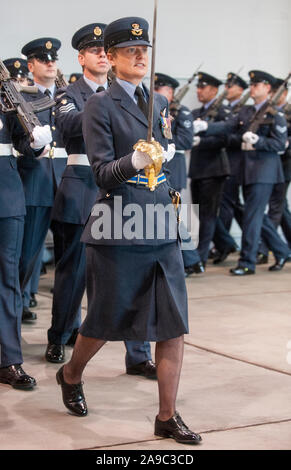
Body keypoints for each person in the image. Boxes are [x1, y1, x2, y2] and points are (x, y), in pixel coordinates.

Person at [56, 16, 201, 445]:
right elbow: (102, 174)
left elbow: (166, 166)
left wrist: (165, 163)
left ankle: (166, 416)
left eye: (144, 51)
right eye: (130, 51)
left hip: (160, 221)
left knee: (173, 327)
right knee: (104, 321)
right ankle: (71, 373)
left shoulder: (158, 103)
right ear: (113, 57)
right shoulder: (100, 105)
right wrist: (134, 162)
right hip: (118, 224)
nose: (140, 57)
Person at [48, 23, 157, 380]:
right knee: (75, 272)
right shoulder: (71, 95)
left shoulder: (134, 96)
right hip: (82, 187)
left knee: (138, 279)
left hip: (131, 192)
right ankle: (61, 334)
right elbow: (70, 129)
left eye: (102, 49)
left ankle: (138, 354)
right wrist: (109, 107)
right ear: (83, 58)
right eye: (93, 50)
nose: (99, 55)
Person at [194, 70, 289, 275]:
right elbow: (228, 126)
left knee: (252, 218)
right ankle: (282, 250)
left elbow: (279, 143)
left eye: (257, 85)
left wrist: (259, 141)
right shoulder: (246, 112)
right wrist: (206, 127)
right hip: (246, 170)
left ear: (268, 88)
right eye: (252, 84)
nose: (252, 88)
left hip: (265, 172)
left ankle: (247, 262)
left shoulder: (275, 114)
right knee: (255, 216)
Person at [0, 102, 51, 390]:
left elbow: (22, 140)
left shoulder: (4, 95)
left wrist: (34, 142)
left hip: (6, 195)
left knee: (7, 280)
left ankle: (9, 359)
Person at [19, 37, 68, 323]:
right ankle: (20, 301)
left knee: (71, 260)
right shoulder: (21, 98)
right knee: (27, 256)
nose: (50, 63)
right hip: (34, 183)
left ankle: (66, 324)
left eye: (53, 59)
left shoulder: (68, 98)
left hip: (67, 183)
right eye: (43, 59)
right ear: (31, 65)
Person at [154, 72, 204, 276]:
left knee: (172, 216)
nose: (157, 92)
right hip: (158, 168)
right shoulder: (153, 109)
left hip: (174, 167)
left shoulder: (181, 112)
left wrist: (166, 144)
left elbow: (186, 139)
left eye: (162, 89)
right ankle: (190, 260)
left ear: (171, 92)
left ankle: (191, 259)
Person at [190, 72, 230, 266]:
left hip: (214, 169)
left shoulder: (222, 112)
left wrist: (202, 140)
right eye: (197, 87)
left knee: (207, 215)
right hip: (197, 168)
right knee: (202, 213)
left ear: (214, 90)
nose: (199, 91)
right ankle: (226, 243)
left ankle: (200, 258)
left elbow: (226, 137)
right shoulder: (195, 113)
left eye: (202, 87)